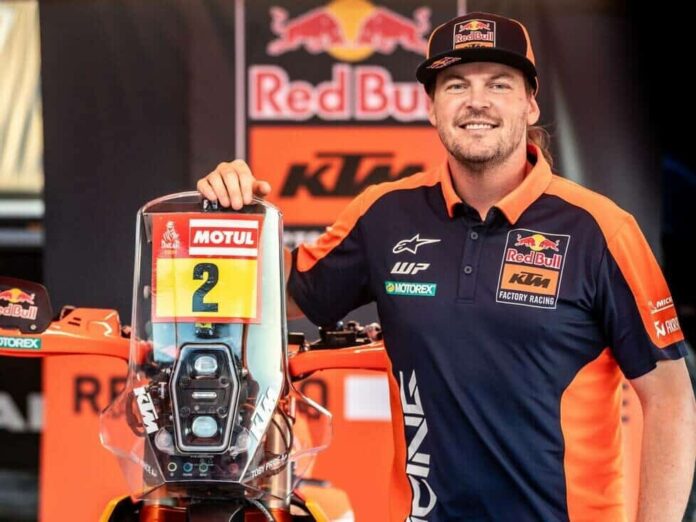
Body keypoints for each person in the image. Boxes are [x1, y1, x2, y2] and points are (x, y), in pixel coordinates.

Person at [197, 11, 696, 522]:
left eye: (498, 84)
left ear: (530, 104)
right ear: (431, 108)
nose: (477, 101)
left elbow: (670, 395)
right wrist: (232, 217)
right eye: (456, 85)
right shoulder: (385, 214)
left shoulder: (600, 229)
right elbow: (278, 296)